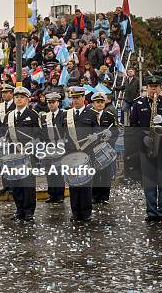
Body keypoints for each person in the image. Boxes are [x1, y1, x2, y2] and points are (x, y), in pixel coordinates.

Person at [130, 76, 162, 222]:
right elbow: (133, 126)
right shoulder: (138, 103)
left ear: (161, 88)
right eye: (151, 87)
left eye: (156, 86)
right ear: (147, 88)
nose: (153, 89)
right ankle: (151, 212)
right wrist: (142, 138)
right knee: (149, 181)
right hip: (147, 146)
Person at [2, 87, 41, 221]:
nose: (19, 99)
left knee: (28, 184)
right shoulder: (9, 115)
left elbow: (39, 135)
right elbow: (4, 134)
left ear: (27, 99)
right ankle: (19, 209)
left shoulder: (33, 115)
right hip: (13, 154)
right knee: (16, 184)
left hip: (28, 155)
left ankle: (29, 210)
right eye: (17, 97)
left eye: (22, 97)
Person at [62, 86, 99, 222]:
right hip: (71, 154)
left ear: (84, 98)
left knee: (85, 185)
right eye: (73, 98)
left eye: (78, 97)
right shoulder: (66, 115)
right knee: (73, 184)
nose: (75, 100)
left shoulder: (92, 114)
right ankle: (75, 212)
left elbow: (98, 134)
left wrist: (96, 137)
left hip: (86, 153)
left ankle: (86, 212)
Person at [89, 92, 118, 204]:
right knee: (95, 173)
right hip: (92, 149)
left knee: (106, 174)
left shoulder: (110, 116)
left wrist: (109, 140)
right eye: (98, 102)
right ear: (93, 103)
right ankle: (94, 196)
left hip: (106, 149)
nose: (100, 104)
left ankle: (104, 197)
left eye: (102, 102)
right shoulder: (88, 115)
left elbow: (115, 131)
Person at [42, 92, 66, 203]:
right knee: (50, 172)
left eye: (53, 102)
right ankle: (52, 194)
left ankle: (60, 195)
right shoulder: (45, 116)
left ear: (58, 103)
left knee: (59, 172)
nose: (51, 105)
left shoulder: (64, 115)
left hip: (60, 146)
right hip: (48, 147)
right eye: (49, 103)